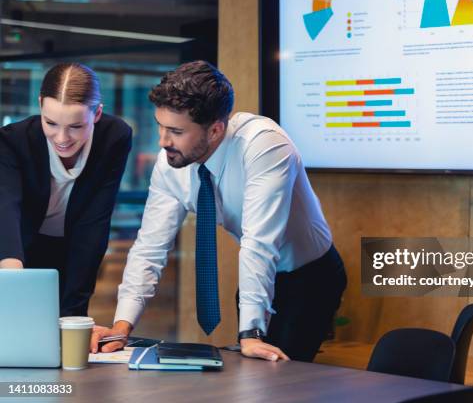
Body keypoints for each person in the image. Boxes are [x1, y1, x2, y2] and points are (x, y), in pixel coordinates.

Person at [91, 60, 346, 362]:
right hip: (259, 279)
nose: (163, 141)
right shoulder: (171, 162)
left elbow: (258, 244)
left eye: (175, 130)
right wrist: (123, 325)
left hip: (310, 276)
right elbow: (149, 248)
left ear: (214, 130)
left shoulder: (265, 146)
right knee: (252, 374)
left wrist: (251, 332)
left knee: (284, 375)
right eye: (160, 126)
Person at [0, 63, 132, 316]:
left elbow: (95, 220)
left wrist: (74, 312)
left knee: (67, 319)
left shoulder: (114, 137)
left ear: (96, 114)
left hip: (72, 245)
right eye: (50, 123)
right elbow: (6, 208)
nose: (62, 138)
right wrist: (11, 279)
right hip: (16, 243)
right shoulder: (12, 140)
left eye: (75, 126)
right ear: (40, 105)